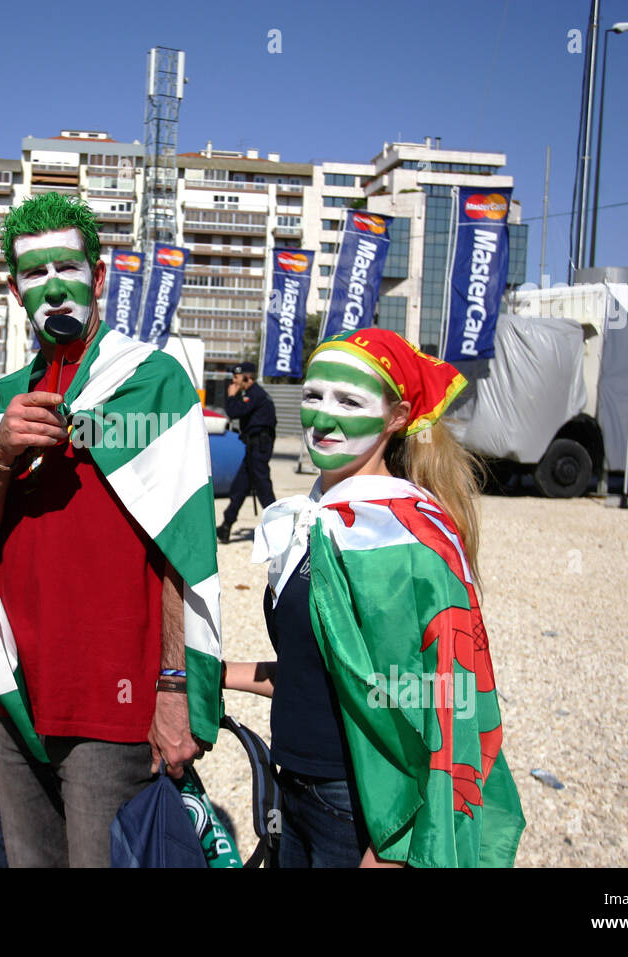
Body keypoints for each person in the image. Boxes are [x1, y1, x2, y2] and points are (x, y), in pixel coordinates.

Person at [0, 191, 223, 868]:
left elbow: (181, 547)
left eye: (68, 266)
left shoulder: (152, 384)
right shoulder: (3, 398)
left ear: (100, 276)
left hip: (114, 704)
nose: (53, 286)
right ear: (13, 289)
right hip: (21, 698)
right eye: (34, 273)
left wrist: (174, 687)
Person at [222, 329, 525, 867]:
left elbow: (444, 708)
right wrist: (212, 672)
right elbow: (324, 675)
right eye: (314, 395)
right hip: (290, 793)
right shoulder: (316, 519)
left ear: (397, 417)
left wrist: (390, 852)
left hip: (360, 815)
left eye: (349, 401)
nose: (322, 415)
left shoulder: (410, 540)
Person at [216, 362, 277, 544]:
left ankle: (280, 528)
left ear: (247, 378)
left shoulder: (254, 395)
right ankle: (226, 526)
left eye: (237, 377)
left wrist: (231, 396)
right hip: (253, 446)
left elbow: (233, 412)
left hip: (259, 446)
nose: (234, 381)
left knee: (263, 488)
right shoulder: (250, 394)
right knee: (240, 487)